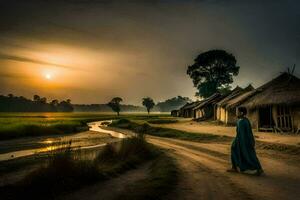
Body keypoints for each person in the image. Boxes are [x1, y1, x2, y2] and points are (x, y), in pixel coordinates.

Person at [227, 107, 264, 175]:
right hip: (243, 140)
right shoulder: (242, 120)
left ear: (241, 113)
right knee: (236, 150)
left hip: (245, 141)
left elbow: (243, 134)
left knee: (248, 154)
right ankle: (234, 167)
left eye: (237, 112)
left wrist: (240, 143)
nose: (236, 113)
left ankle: (258, 168)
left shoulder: (242, 122)